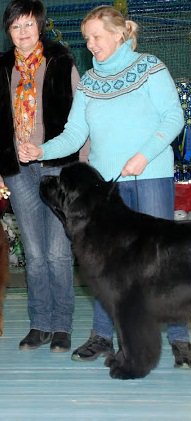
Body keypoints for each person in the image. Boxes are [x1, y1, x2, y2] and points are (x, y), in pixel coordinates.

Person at [20, 5, 191, 367]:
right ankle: (101, 335)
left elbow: (173, 117)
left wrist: (144, 155)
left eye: (96, 37)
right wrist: (41, 150)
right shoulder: (90, 83)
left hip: (150, 175)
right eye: (87, 39)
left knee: (160, 261)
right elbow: (74, 134)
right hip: (104, 188)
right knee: (102, 264)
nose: (91, 44)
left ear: (118, 34)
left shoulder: (151, 67)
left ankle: (180, 339)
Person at [0, 0, 81, 352]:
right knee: (34, 253)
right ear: (8, 32)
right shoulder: (2, 67)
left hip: (58, 167)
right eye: (15, 26)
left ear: (40, 27)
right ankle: (40, 324)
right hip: (17, 172)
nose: (22, 32)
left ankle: (61, 326)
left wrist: (79, 167)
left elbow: (80, 120)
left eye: (28, 25)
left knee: (58, 252)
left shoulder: (61, 62)